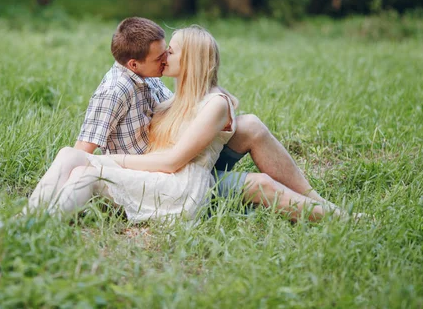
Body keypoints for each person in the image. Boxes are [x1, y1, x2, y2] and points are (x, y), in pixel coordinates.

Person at [26, 26, 344, 222]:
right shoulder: (163, 93)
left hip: (179, 184)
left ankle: (320, 204)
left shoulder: (210, 103)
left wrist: (105, 160)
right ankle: (31, 218)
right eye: (162, 53)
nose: (164, 56)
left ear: (188, 60)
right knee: (73, 158)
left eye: (171, 52)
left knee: (252, 129)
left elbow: (172, 160)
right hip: (164, 177)